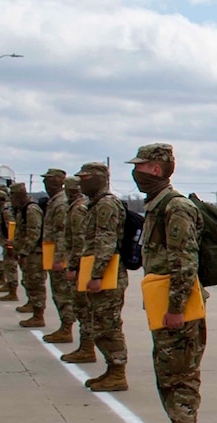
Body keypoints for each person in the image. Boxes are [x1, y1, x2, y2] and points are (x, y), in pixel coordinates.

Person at [128, 142, 209, 423]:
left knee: (182, 368)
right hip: (164, 302)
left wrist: (176, 307)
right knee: (166, 366)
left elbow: (184, 262)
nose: (136, 173)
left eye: (140, 166)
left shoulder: (176, 207)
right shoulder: (156, 205)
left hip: (180, 306)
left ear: (157, 169)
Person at [72, 161, 129, 392]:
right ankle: (111, 369)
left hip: (107, 274)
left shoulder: (106, 204)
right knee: (100, 324)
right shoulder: (94, 204)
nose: (80, 183)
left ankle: (117, 372)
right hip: (100, 272)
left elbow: (106, 241)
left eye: (85, 178)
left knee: (108, 325)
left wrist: (96, 275)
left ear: (99, 178)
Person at [60, 177, 96, 364]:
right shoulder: (77, 207)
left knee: (84, 308)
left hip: (83, 266)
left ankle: (87, 348)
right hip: (83, 264)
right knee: (81, 307)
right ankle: (85, 347)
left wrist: (73, 265)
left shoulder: (78, 209)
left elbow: (79, 241)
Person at [40, 168, 75, 345]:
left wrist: (59, 259)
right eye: (46, 181)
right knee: (58, 293)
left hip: (59, 256)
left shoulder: (60, 203)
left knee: (63, 294)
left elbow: (62, 232)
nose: (47, 184)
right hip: (53, 252)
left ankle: (66, 328)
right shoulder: (55, 201)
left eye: (51, 181)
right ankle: (64, 326)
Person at [7, 183, 46, 328]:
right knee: (29, 282)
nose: (11, 198)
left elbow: (33, 233)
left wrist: (24, 251)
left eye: (12, 195)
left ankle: (38, 315)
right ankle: (33, 307)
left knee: (36, 284)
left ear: (19, 195)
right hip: (28, 253)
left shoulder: (31, 209)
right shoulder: (22, 209)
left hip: (34, 254)